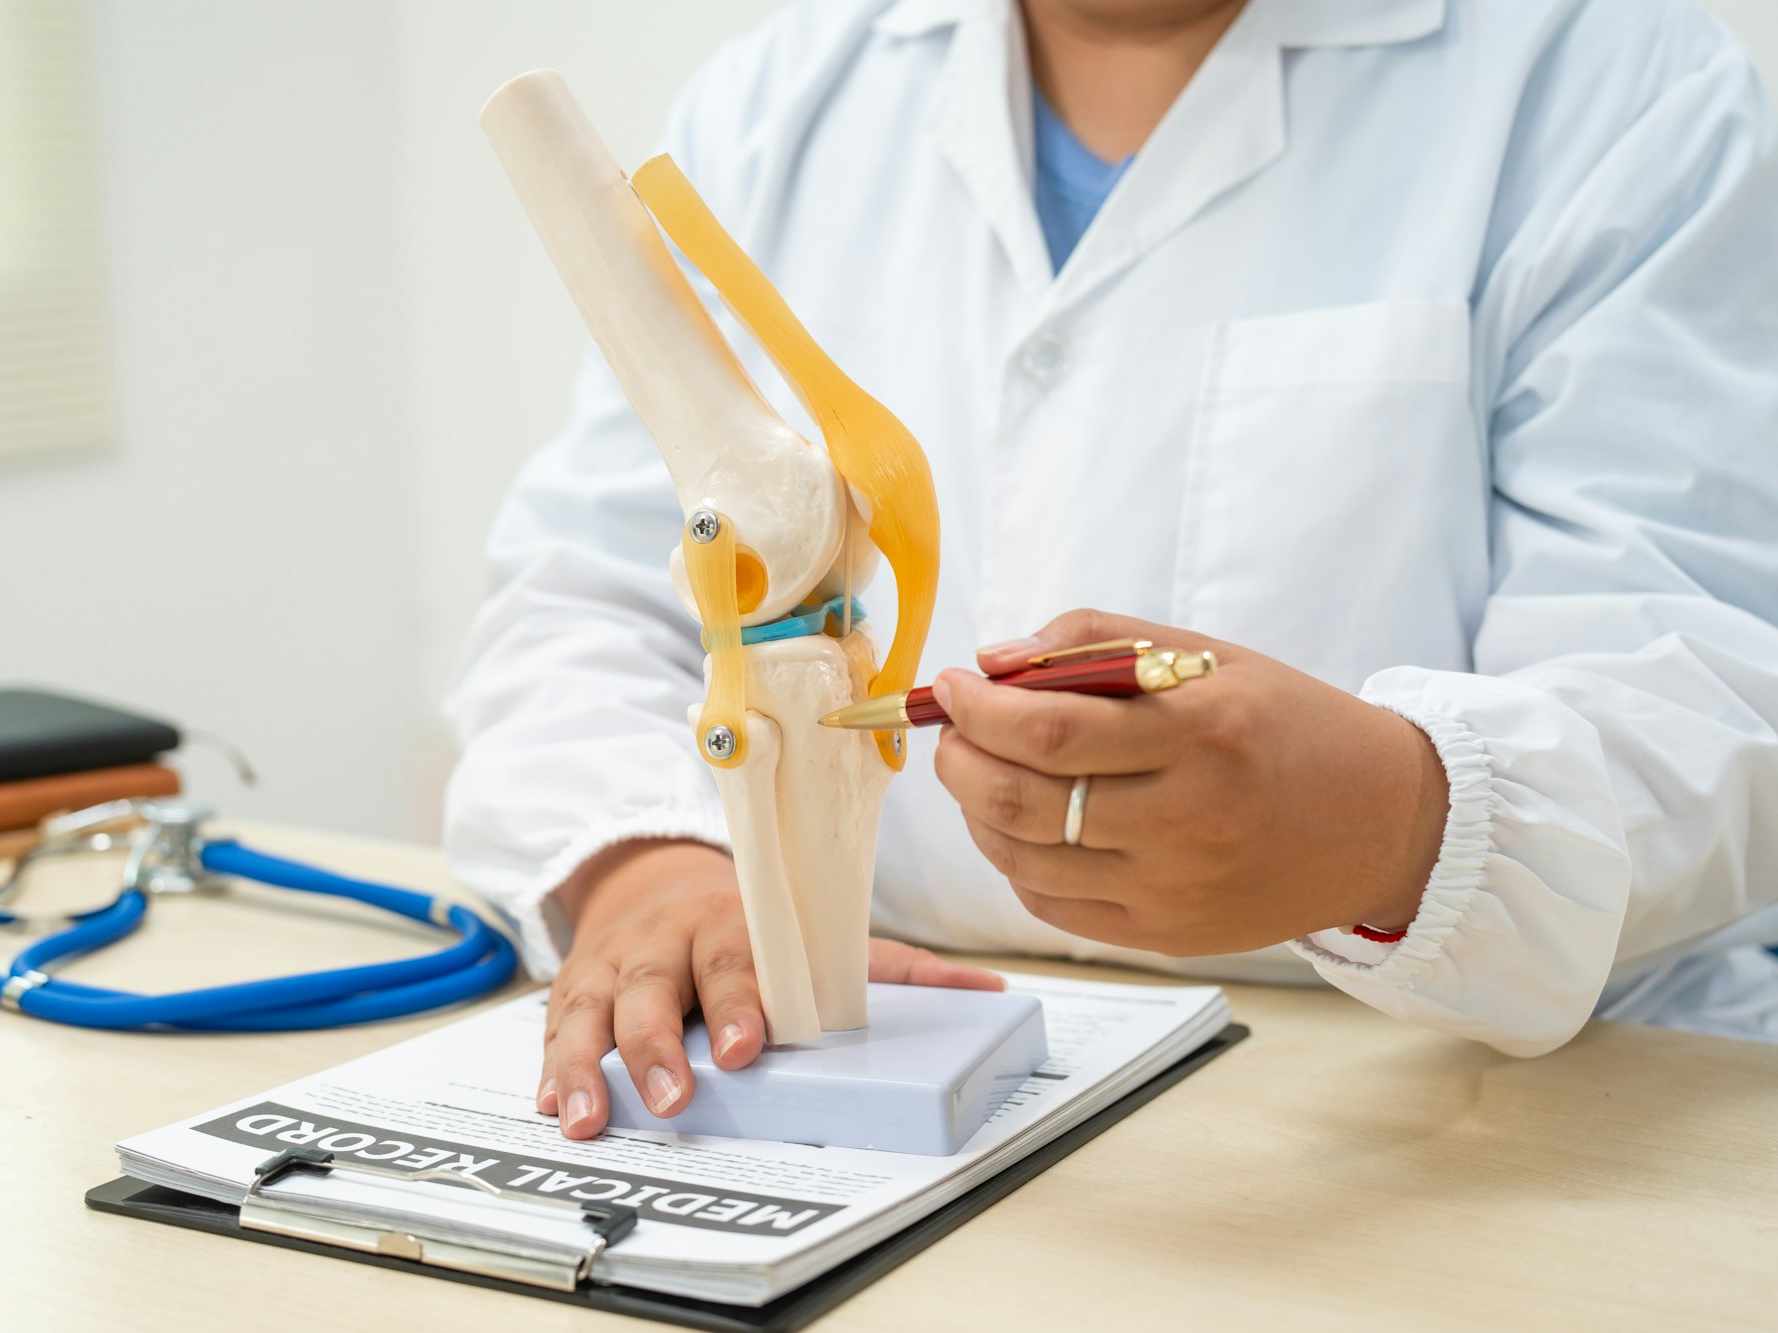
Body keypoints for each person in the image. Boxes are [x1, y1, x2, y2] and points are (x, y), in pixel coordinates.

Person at [445, 0, 1778, 1139]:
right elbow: (589, 599)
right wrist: (654, 872)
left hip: (1488, 1107)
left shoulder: (1615, 84)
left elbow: (1712, 676)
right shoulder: (783, 103)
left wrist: (1393, 826)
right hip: (882, 1065)